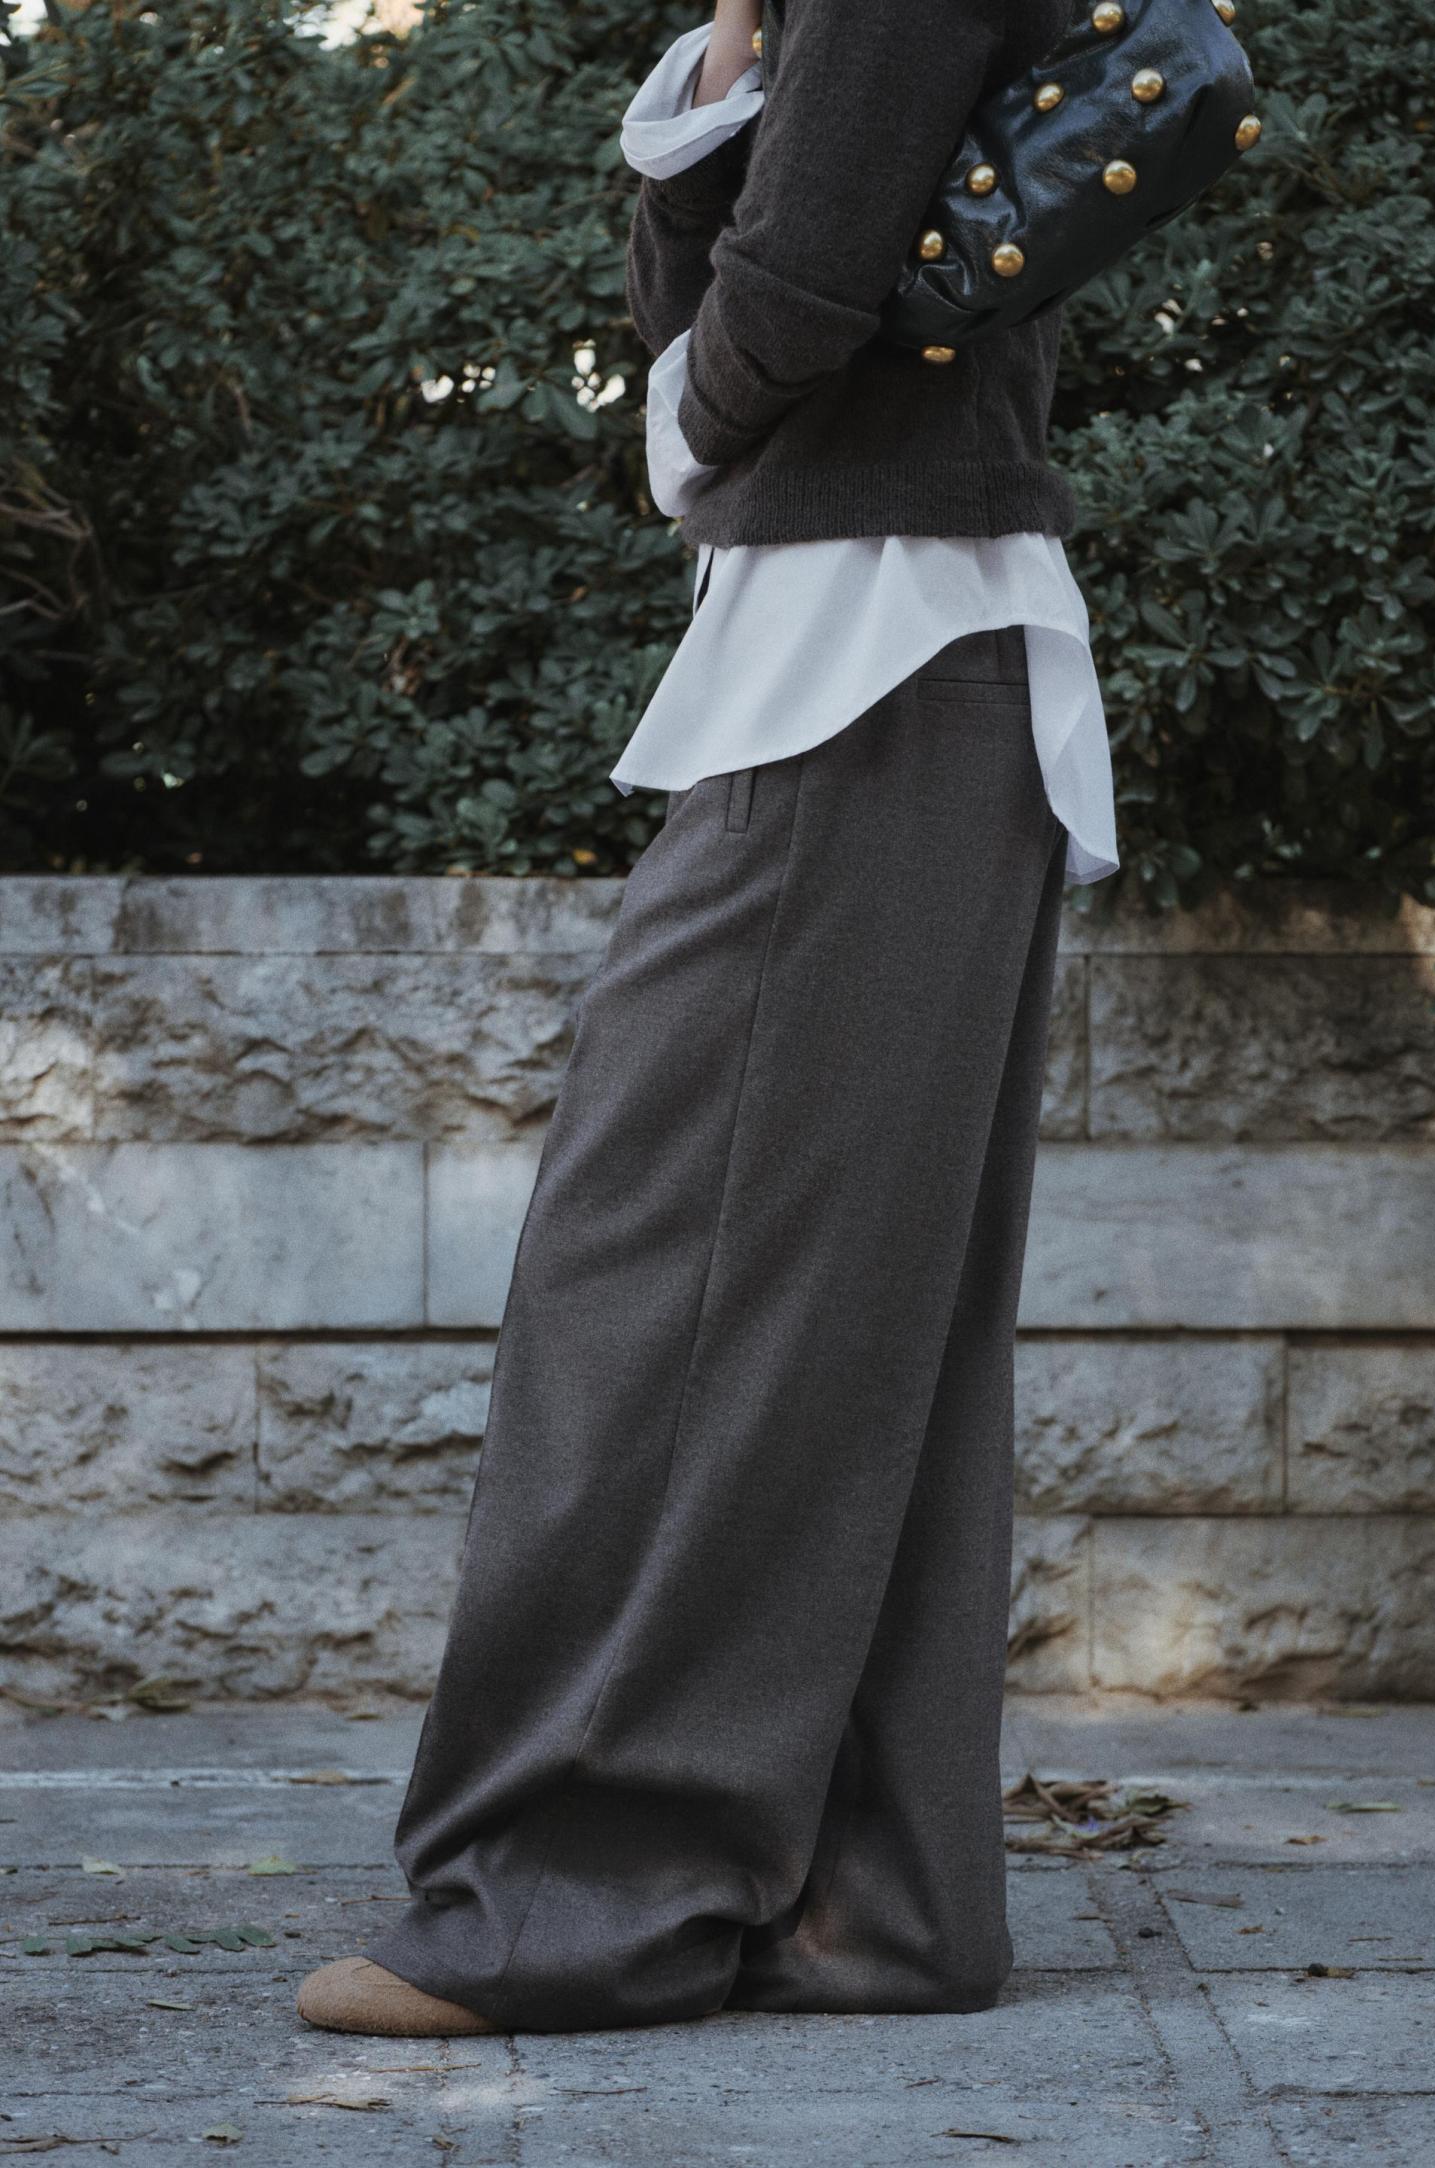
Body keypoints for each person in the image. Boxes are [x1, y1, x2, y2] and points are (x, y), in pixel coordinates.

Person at [297, 0, 1117, 2039]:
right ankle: (875, 1896)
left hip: (871, 668)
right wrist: (734, 59)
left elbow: (791, 300)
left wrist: (690, 419)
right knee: (860, 1323)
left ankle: (579, 1896)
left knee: (658, 1286)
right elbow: (729, 296)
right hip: (889, 666)